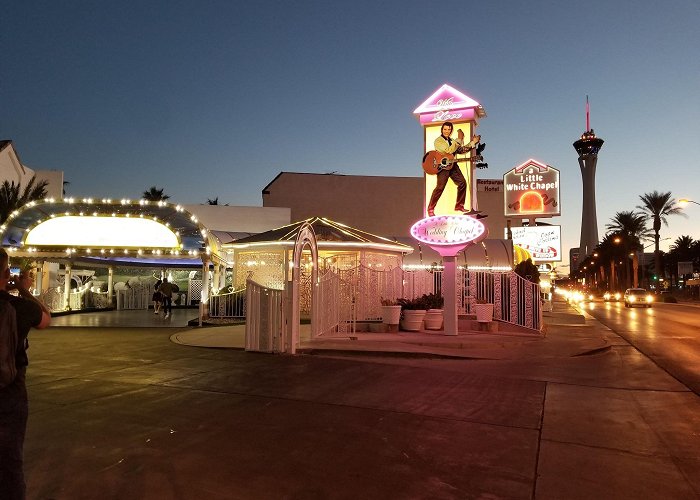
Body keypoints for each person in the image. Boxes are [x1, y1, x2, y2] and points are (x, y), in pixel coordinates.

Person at [0, 249, 51, 499]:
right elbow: (45, 320)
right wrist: (23, 289)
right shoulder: (19, 307)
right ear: (7, 272)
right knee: (10, 463)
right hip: (10, 392)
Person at [426, 121, 484, 218]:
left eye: (449, 129)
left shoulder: (453, 141)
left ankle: (459, 205)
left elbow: (461, 150)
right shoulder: (438, 141)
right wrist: (459, 139)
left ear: (451, 130)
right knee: (440, 188)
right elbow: (448, 150)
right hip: (442, 167)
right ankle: (431, 208)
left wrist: (473, 142)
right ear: (442, 129)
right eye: (445, 129)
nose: (447, 131)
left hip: (453, 165)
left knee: (462, 183)